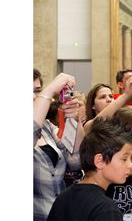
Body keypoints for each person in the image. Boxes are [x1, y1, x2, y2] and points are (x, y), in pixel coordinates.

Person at [47, 117, 132, 221]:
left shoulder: (63, 196)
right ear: (99, 161)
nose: (130, 165)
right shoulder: (106, 209)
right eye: (124, 159)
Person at [33, 71, 83, 221]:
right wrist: (49, 91)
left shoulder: (47, 127)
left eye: (37, 91)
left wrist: (74, 120)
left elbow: (75, 160)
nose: (34, 96)